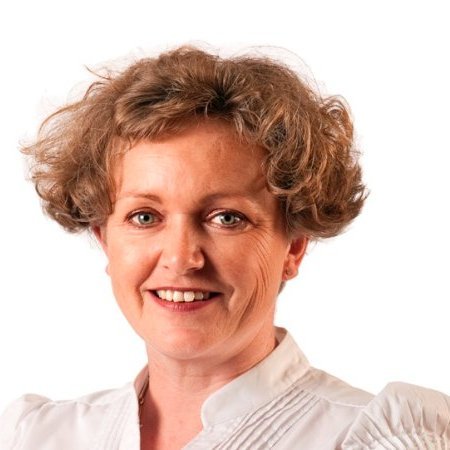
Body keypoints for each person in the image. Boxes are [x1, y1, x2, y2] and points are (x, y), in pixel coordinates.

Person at [0, 46, 448, 450]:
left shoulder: (372, 437)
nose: (181, 258)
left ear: (294, 246)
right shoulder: (37, 436)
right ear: (104, 239)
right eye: (145, 217)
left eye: (227, 218)